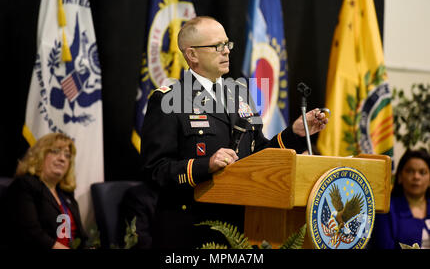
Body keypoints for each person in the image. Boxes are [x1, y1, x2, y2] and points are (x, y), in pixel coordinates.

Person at [140, 16, 329, 249]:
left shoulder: (240, 94)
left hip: (240, 229)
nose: (226, 52)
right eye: (217, 46)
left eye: (227, 44)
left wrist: (295, 133)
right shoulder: (168, 99)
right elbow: (155, 171)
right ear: (192, 55)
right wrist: (205, 165)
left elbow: (258, 154)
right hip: (189, 229)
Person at [3, 133, 87, 249]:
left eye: (67, 155)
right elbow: (32, 235)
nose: (62, 158)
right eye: (55, 151)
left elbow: (81, 236)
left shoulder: (66, 193)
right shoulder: (24, 186)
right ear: (40, 155)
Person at [369, 149, 430, 249]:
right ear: (400, 177)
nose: (416, 177)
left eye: (422, 172)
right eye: (410, 171)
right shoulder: (386, 210)